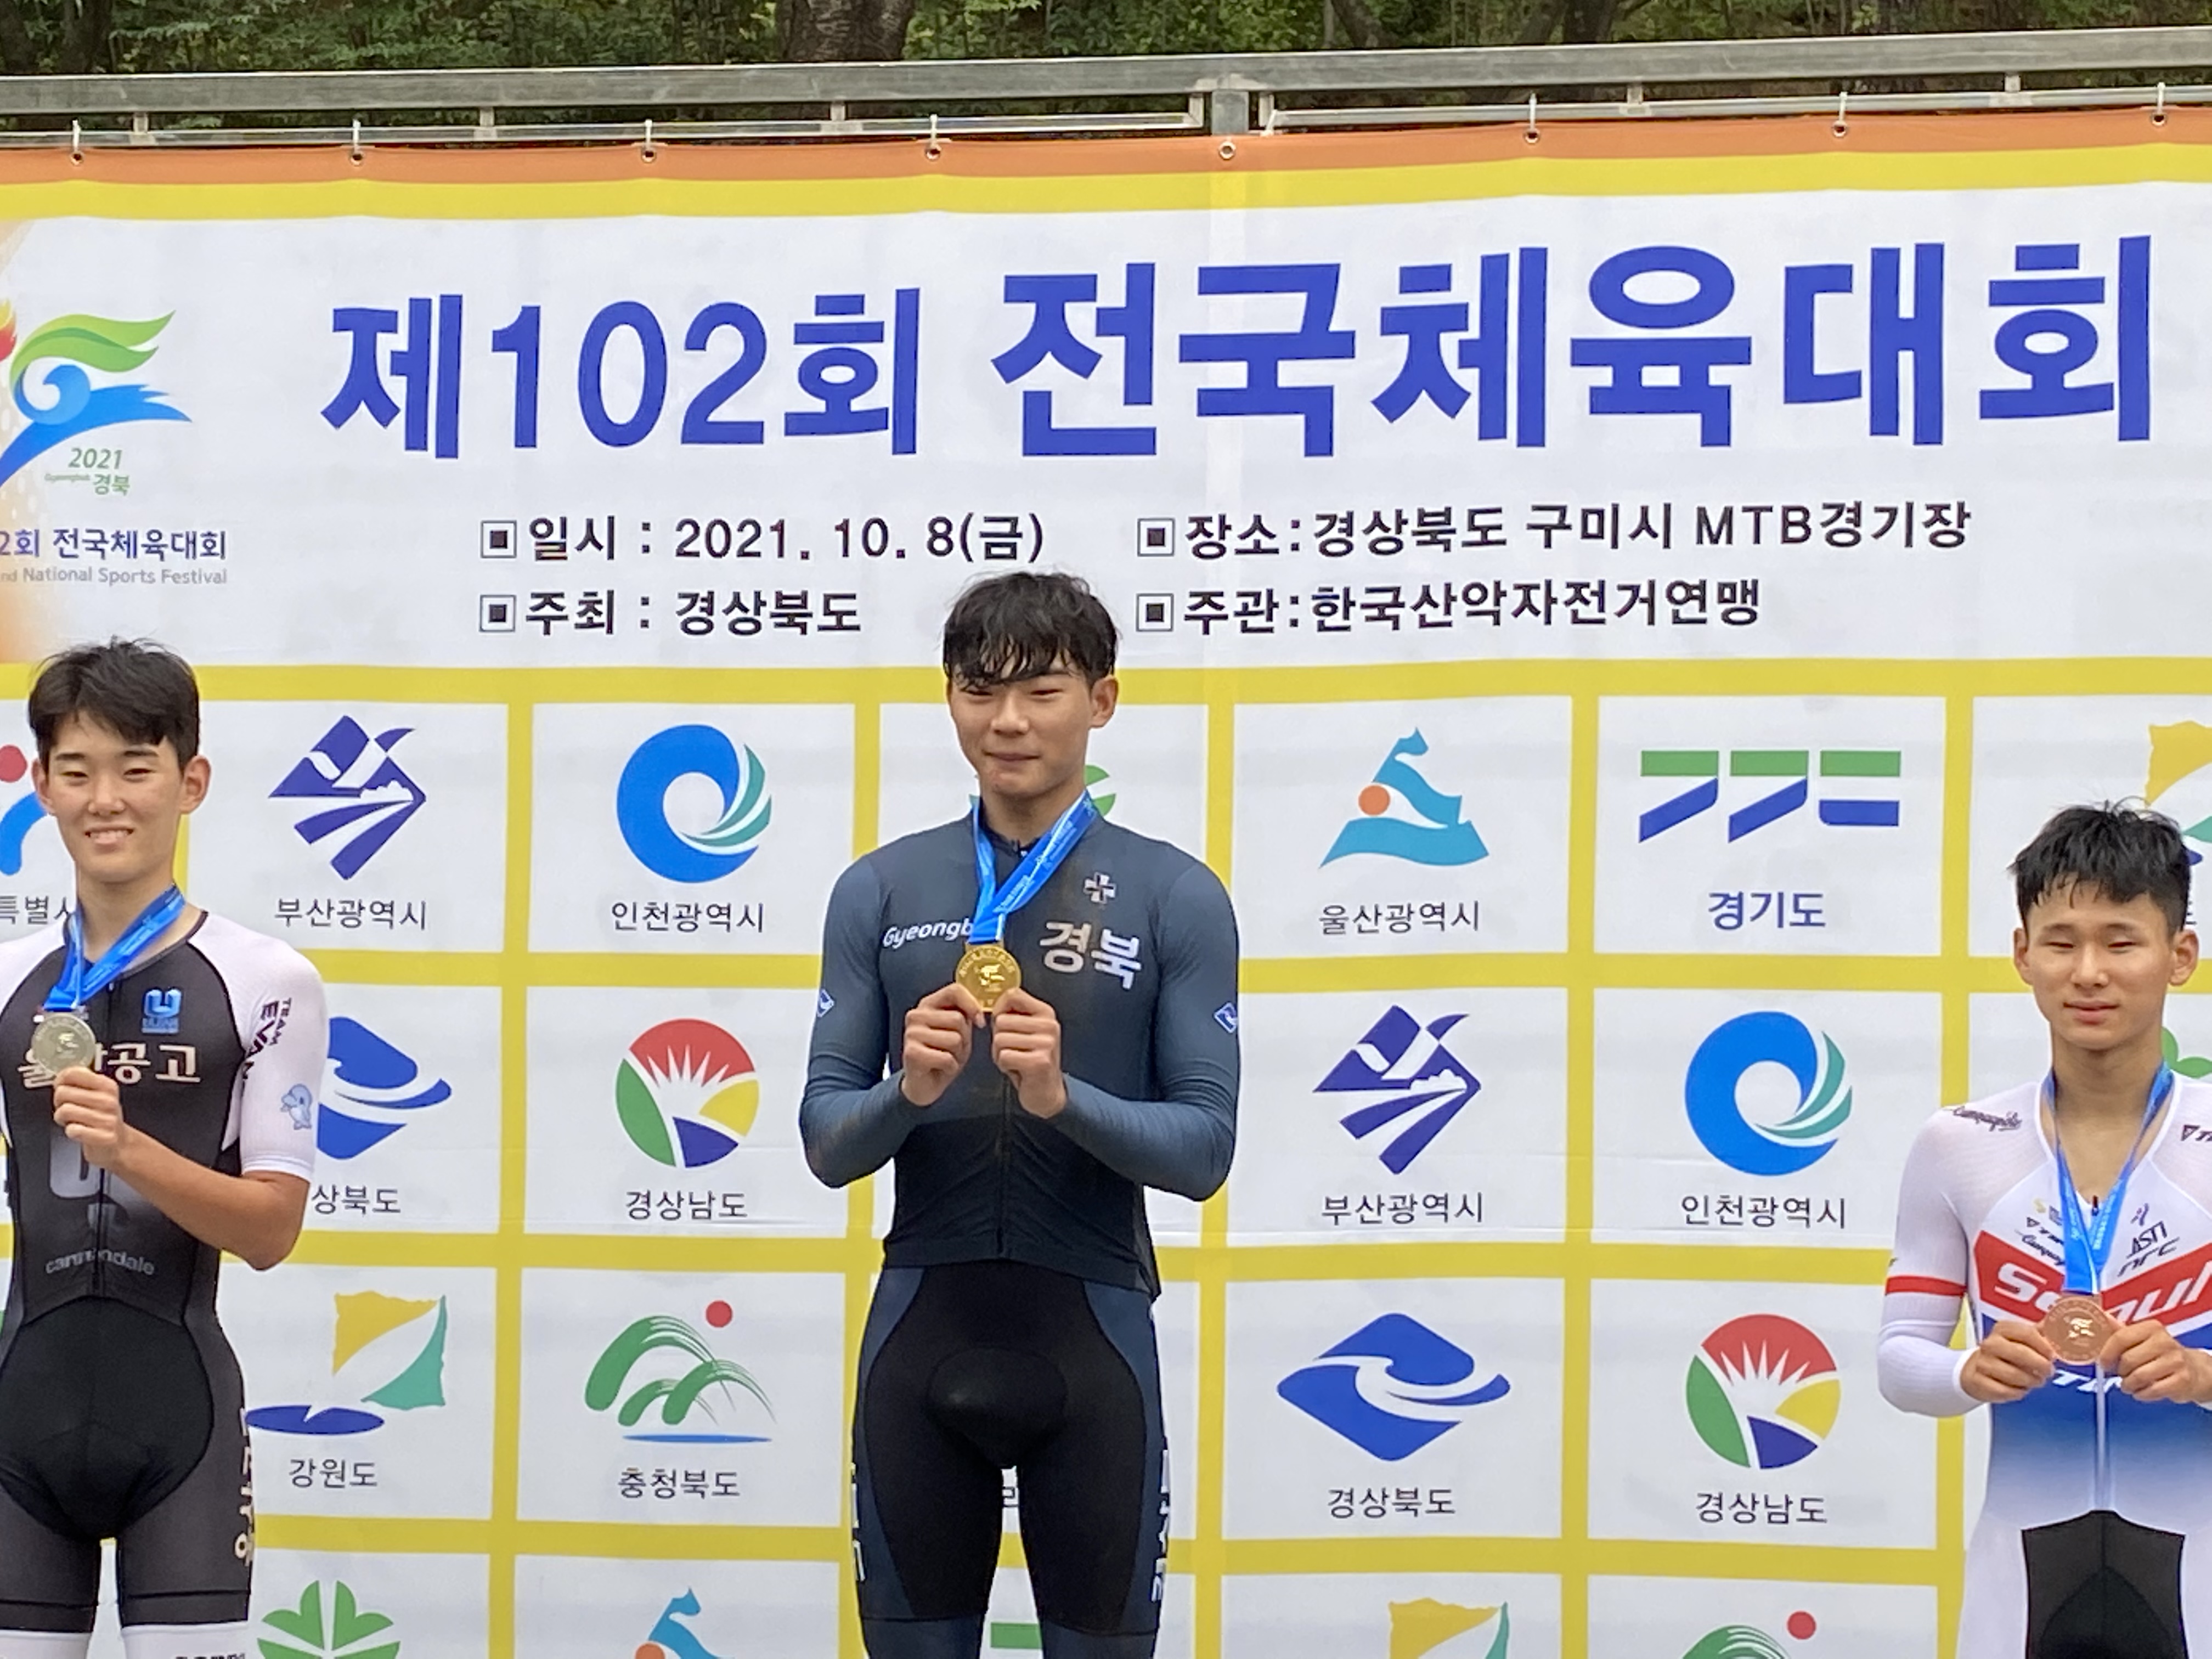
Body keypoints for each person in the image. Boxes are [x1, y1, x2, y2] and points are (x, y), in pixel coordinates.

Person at [802, 572, 1239, 1659]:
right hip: (921, 1337)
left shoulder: (1173, 895)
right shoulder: (881, 890)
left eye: (1042, 691)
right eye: (979, 690)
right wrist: (907, 1092)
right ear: (949, 698)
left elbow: (1204, 1151)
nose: (1007, 721)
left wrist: (1061, 1099)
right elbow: (825, 1142)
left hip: (1092, 1347)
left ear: (1103, 701)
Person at [0, 641, 325, 1659]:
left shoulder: (267, 979)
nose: (106, 800)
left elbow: (271, 1231)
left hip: (182, 1418)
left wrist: (129, 1150)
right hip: (20, 1412)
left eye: (136, 768)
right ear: (42, 785)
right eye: (78, 770)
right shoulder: (7, 978)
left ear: (191, 783)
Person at [1881, 803, 2212, 1659]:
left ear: (2180, 955)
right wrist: (1967, 1371)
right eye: (2061, 942)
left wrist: (2198, 1374)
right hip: (2018, 1577)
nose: (2088, 973)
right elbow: (1901, 1360)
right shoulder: (1958, 1144)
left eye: (2121, 942)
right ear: (2023, 954)